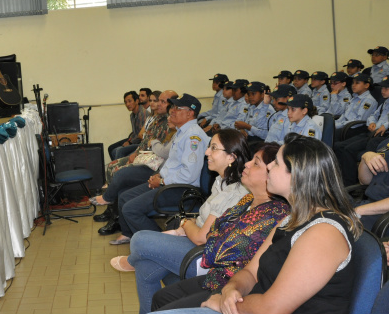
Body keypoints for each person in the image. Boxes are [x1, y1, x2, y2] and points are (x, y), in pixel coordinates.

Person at [163, 133, 363, 314]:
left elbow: (273, 308)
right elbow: (251, 271)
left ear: (297, 176)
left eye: (275, 163)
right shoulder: (292, 219)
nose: (268, 167)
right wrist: (232, 289)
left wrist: (226, 303)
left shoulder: (324, 233)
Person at [147, 144, 289, 313]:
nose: (247, 164)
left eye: (256, 163)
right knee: (159, 297)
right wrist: (217, 236)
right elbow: (215, 229)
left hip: (237, 288)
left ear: (271, 174)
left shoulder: (274, 213)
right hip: (218, 276)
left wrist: (199, 229)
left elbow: (217, 251)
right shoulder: (248, 200)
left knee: (142, 243)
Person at [107, 94, 210, 244]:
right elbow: (172, 164)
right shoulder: (181, 132)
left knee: (131, 209)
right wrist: (157, 176)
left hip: (182, 190)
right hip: (169, 183)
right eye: (173, 107)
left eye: (177, 108)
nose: (172, 111)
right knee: (124, 196)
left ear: (190, 113)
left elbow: (189, 174)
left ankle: (162, 244)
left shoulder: (193, 136)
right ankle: (130, 234)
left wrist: (162, 181)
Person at [95, 91, 176, 225]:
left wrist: (139, 152)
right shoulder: (156, 119)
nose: (155, 104)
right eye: (155, 101)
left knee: (118, 171)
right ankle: (113, 212)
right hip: (145, 156)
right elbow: (145, 140)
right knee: (112, 167)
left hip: (153, 164)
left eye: (161, 101)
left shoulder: (170, 122)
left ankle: (113, 212)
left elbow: (158, 148)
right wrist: (136, 153)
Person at [333, 76, 389, 186]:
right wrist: (372, 122)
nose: (383, 91)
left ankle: (350, 184)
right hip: (373, 132)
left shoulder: (370, 100)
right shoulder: (385, 103)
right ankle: (341, 178)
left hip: (383, 135)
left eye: (386, 88)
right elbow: (373, 115)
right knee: (338, 146)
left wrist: (385, 125)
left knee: (348, 149)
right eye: (382, 88)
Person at [354, 139, 389, 230]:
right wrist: (365, 158)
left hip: (383, 217)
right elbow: (365, 181)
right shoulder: (385, 144)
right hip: (368, 204)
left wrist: (359, 210)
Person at [108, 91, 148, 161]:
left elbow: (141, 135)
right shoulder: (132, 115)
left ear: (137, 101)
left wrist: (130, 142)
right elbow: (134, 132)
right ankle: (115, 168)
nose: (127, 104)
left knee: (118, 151)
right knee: (111, 148)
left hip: (141, 143)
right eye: (125, 102)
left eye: (129, 101)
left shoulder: (143, 114)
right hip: (134, 139)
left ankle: (119, 169)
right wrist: (129, 140)